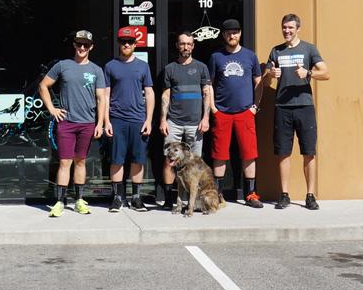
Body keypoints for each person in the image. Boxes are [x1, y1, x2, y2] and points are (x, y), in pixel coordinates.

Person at [38, 29, 107, 217]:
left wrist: (99, 123)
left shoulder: (96, 70)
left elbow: (101, 98)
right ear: (74, 45)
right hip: (66, 122)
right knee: (64, 162)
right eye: (79, 44)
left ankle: (79, 200)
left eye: (86, 44)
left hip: (87, 123)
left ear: (91, 47)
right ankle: (60, 202)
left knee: (81, 161)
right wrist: (52, 109)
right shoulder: (63, 65)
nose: (82, 47)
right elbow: (43, 85)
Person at [267, 13, 330, 210]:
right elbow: (268, 71)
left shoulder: (309, 49)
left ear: (298, 29)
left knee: (309, 152)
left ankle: (310, 195)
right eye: (284, 27)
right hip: (282, 108)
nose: (287, 31)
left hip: (304, 107)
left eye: (290, 28)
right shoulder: (276, 51)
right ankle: (284, 195)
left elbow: (326, 73)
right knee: (283, 153)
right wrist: (271, 72)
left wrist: (308, 73)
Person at [208, 18, 264, 208]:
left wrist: (255, 106)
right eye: (228, 32)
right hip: (222, 112)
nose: (232, 35)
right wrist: (213, 107)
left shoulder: (250, 56)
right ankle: (218, 194)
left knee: (249, 153)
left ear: (240, 33)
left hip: (245, 112)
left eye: (235, 32)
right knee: (220, 154)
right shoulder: (216, 57)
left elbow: (258, 82)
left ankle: (250, 194)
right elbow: (209, 84)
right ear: (223, 35)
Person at [159, 31, 211, 211]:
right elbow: (166, 95)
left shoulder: (202, 67)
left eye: (189, 44)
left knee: (194, 165)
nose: (185, 47)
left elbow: (207, 93)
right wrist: (163, 120)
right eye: (182, 43)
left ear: (193, 46)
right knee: (169, 160)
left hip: (195, 124)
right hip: (174, 122)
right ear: (177, 45)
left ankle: (192, 202)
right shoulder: (170, 69)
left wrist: (206, 118)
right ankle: (168, 199)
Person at [104, 27, 154, 212]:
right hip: (117, 119)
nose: (126, 44)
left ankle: (136, 198)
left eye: (130, 42)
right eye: (123, 41)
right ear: (119, 43)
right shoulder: (110, 66)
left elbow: (149, 93)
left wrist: (149, 120)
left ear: (135, 44)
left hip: (138, 120)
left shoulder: (143, 66)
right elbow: (105, 95)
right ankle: (117, 198)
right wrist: (106, 121)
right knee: (116, 160)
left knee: (137, 160)